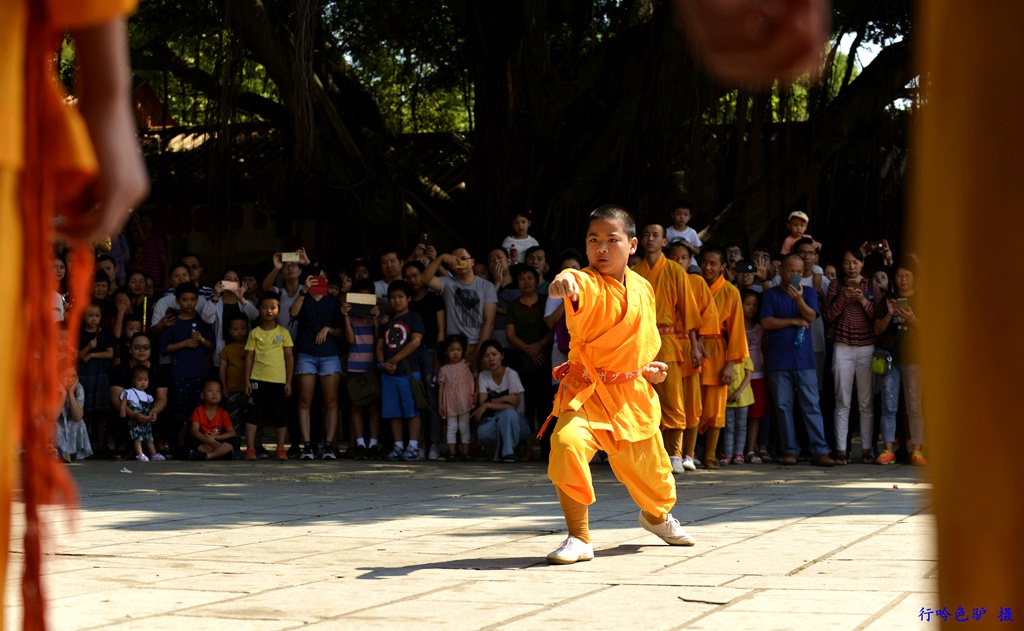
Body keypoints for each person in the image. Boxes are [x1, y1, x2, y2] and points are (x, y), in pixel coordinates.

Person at [543, 205, 695, 566]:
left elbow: (641, 340)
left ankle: (656, 519)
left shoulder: (643, 287)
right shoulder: (586, 281)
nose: (601, 248)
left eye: (612, 240)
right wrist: (565, 279)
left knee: (655, 478)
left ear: (632, 245)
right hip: (588, 394)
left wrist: (648, 368)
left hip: (632, 396)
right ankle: (578, 537)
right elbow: (574, 282)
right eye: (594, 240)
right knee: (566, 443)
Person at [631, 224, 702, 475]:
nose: (650, 239)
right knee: (641, 399)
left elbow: (689, 311)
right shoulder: (633, 272)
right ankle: (649, 454)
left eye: (656, 236)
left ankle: (675, 453)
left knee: (672, 399)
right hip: (640, 343)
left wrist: (694, 346)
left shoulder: (675, 271)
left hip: (669, 339)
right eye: (646, 235)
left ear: (664, 242)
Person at [759, 254, 834, 466]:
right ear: (781, 270)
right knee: (783, 407)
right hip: (779, 360)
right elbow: (765, 321)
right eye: (791, 270)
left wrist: (798, 299)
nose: (795, 274)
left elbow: (811, 317)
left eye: (799, 272)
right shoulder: (771, 295)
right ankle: (789, 450)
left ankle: (819, 450)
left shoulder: (809, 292)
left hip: (804, 360)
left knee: (811, 404)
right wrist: (792, 320)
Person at [666, 241, 719, 472]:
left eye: (684, 258)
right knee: (668, 402)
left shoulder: (696, 282)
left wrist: (698, 343)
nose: (679, 262)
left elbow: (707, 316)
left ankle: (689, 454)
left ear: (690, 261)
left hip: (688, 348)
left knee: (692, 404)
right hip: (667, 345)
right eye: (675, 258)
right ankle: (670, 453)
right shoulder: (664, 280)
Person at [823, 248, 880, 464]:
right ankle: (840, 450)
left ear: (862, 263)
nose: (851, 266)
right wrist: (843, 298)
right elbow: (827, 316)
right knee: (842, 401)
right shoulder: (836, 285)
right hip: (842, 346)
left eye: (855, 262)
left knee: (866, 402)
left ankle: (866, 449)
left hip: (867, 347)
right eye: (847, 263)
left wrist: (864, 300)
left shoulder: (872, 285)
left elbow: (880, 317)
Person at [697, 246, 749, 469]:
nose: (708, 267)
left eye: (713, 264)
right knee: (692, 404)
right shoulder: (693, 286)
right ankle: (689, 453)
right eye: (705, 263)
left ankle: (710, 455)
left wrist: (730, 365)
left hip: (718, 349)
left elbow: (737, 330)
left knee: (716, 406)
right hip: (694, 349)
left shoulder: (730, 292)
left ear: (723, 267)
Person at [872, 258, 925, 465]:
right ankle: (887, 450)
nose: (903, 279)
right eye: (900, 275)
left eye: (907, 275)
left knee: (915, 406)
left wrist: (912, 318)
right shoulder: (888, 299)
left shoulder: (921, 299)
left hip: (914, 359)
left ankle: (917, 450)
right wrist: (890, 314)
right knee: (888, 405)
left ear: (914, 278)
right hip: (890, 359)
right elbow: (876, 330)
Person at [289, 265, 343, 460]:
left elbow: (341, 330)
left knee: (330, 401)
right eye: (314, 277)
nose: (318, 280)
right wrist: (303, 291)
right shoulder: (303, 298)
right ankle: (308, 445)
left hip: (329, 354)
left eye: (322, 278)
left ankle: (328, 445)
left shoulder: (333, 302)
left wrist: (329, 329)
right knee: (305, 400)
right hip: (306, 353)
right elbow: (293, 313)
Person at [505, 264, 552, 456]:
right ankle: (526, 450)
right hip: (522, 360)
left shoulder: (546, 301)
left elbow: (553, 328)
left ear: (536, 280)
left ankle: (545, 450)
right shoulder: (513, 305)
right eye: (522, 278)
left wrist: (539, 345)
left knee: (545, 406)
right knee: (526, 405)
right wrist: (529, 349)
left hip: (545, 358)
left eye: (529, 278)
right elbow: (510, 333)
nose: (526, 281)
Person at [160, 283, 214, 448]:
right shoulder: (172, 323)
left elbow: (212, 347)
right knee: (180, 413)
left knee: (199, 412)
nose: (189, 303)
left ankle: (198, 446)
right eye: (185, 300)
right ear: (177, 301)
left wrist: (201, 340)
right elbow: (164, 349)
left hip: (200, 372)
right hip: (180, 373)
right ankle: (180, 447)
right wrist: (183, 344)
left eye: (192, 300)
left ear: (197, 300)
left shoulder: (202, 320)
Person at [376, 280, 426, 461]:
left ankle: (412, 445)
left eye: (400, 297)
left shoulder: (414, 318)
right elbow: (380, 345)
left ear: (409, 298)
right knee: (393, 411)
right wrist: (381, 362)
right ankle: (398, 445)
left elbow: (415, 342)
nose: (397, 301)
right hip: (388, 373)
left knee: (412, 410)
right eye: (393, 298)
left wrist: (394, 360)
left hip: (409, 371)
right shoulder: (386, 321)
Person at [421, 247, 497, 362]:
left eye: (464, 258)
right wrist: (441, 258)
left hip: (478, 343)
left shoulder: (487, 286)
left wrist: (478, 352)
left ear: (472, 262)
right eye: (455, 260)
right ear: (451, 265)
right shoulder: (447, 283)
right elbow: (424, 279)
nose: (460, 262)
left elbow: (489, 322)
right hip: (454, 346)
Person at [403, 260, 446, 460]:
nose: (413, 280)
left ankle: (435, 443)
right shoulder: (406, 301)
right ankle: (418, 443)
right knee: (415, 399)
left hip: (430, 351)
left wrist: (438, 356)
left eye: (416, 275)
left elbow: (441, 329)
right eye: (408, 276)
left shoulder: (435, 299)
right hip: (409, 355)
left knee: (432, 400)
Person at [244, 294, 295, 461]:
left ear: (278, 310)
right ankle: (250, 449)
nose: (269, 311)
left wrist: (288, 381)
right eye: (265, 307)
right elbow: (249, 358)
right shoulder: (254, 333)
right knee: (253, 415)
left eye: (273, 307)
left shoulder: (283, 333)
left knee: (280, 415)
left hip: (278, 381)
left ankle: (280, 449)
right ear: (259, 310)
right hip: (258, 379)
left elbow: (289, 357)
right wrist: (247, 381)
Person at [110, 333, 168, 458]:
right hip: (128, 413)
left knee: (173, 416)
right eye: (137, 347)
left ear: (151, 350)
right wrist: (133, 415)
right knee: (113, 417)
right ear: (130, 349)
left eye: (146, 347)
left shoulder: (158, 370)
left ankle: (158, 444)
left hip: (150, 413)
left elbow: (162, 398)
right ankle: (122, 445)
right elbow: (115, 400)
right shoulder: (121, 369)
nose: (142, 350)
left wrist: (154, 411)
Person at [342, 279, 382, 459]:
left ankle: (373, 443)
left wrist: (375, 320)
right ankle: (359, 443)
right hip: (354, 365)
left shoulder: (377, 316)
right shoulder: (350, 316)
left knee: (373, 407)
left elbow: (379, 340)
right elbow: (350, 340)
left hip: (372, 366)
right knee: (356, 406)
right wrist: (345, 316)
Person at [473, 340, 530, 463]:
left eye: (494, 354)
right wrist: (504, 398)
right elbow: (483, 403)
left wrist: (489, 404)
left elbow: (514, 407)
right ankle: (500, 449)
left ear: (502, 356)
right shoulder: (483, 376)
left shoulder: (511, 375)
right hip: (493, 421)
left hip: (517, 423)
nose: (491, 359)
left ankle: (508, 452)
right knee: (482, 432)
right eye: (486, 356)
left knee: (509, 414)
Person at [202, 269, 259, 368]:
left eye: (235, 280)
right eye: (228, 279)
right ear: (221, 282)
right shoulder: (216, 302)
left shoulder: (244, 302)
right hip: (223, 350)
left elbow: (255, 316)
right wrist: (216, 295)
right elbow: (206, 318)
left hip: (243, 350)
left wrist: (241, 298)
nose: (232, 282)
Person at [78, 302, 115, 451]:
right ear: (83, 316)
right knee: (84, 411)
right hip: (84, 375)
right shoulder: (79, 333)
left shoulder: (104, 333)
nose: (93, 319)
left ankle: (101, 445)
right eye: (90, 315)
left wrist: (92, 354)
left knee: (100, 413)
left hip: (100, 375)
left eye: (97, 316)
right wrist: (88, 347)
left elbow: (110, 353)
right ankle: (83, 446)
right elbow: (77, 356)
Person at [739, 290, 769, 464]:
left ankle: (751, 449)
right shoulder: (734, 326)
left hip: (757, 374)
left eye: (755, 305)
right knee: (737, 416)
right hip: (738, 376)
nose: (751, 308)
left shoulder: (760, 329)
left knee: (755, 415)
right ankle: (735, 450)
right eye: (747, 304)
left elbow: (765, 351)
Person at [437, 334, 475, 461]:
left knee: (464, 427)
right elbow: (441, 387)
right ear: (446, 352)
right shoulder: (444, 369)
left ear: (463, 350)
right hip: (450, 403)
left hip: (465, 401)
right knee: (451, 427)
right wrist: (440, 403)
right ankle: (452, 452)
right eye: (452, 350)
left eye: (458, 350)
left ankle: (466, 452)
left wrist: (474, 394)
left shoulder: (466, 365)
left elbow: (474, 379)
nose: (455, 353)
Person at [119, 365, 164, 462]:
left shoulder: (148, 396)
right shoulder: (130, 391)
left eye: (145, 380)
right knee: (137, 437)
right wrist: (123, 409)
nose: (142, 383)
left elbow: (154, 404)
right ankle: (139, 454)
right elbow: (124, 400)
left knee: (149, 438)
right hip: (135, 420)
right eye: (139, 380)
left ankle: (154, 454)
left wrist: (153, 413)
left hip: (146, 420)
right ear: (134, 381)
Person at [188, 379, 239, 461]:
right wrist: (207, 440)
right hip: (203, 441)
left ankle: (207, 456)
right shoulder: (198, 410)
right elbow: (194, 431)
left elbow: (232, 432)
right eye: (210, 390)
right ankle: (220, 454)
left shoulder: (223, 413)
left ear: (221, 397)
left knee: (235, 440)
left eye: (218, 391)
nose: (214, 393)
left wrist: (216, 437)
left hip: (217, 442)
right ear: (202, 395)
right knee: (190, 439)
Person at [54, 366, 92, 462]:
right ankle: (57, 452)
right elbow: (52, 417)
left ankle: (71, 453)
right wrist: (63, 395)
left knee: (79, 423)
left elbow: (78, 416)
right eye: (66, 376)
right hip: (55, 423)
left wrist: (70, 393)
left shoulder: (78, 388)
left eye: (73, 376)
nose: (70, 379)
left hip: (68, 424)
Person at [721, 353, 754, 465]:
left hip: (743, 398)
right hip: (728, 398)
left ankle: (739, 453)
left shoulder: (745, 357)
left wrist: (739, 391)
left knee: (741, 427)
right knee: (729, 427)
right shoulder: (724, 356)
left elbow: (749, 375)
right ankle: (728, 454)